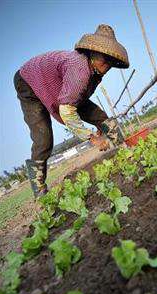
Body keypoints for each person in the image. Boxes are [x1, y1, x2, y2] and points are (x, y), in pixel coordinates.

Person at [14, 24, 129, 198]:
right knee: (43, 138)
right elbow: (68, 111)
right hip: (28, 81)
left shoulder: (95, 71)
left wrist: (98, 123)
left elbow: (78, 98)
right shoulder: (80, 69)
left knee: (100, 116)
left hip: (56, 83)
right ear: (93, 52)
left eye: (110, 60)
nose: (108, 63)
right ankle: (39, 191)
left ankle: (126, 150)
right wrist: (93, 138)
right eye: (104, 58)